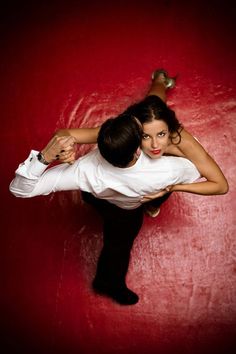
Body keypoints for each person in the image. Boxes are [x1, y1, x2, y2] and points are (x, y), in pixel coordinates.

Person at [10, 114, 202, 306]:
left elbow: (20, 190)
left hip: (96, 195)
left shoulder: (83, 169)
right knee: (118, 247)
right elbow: (198, 167)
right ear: (137, 150)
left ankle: (149, 205)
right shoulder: (167, 170)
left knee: (93, 200)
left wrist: (45, 157)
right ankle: (108, 283)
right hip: (126, 213)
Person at [55, 69, 228, 215]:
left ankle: (161, 80)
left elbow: (220, 185)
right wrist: (64, 147)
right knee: (152, 100)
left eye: (161, 134)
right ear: (136, 130)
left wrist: (174, 187)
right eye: (145, 136)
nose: (155, 145)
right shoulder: (129, 131)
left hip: (166, 181)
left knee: (156, 102)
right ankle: (159, 80)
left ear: (170, 129)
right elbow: (65, 134)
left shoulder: (182, 141)